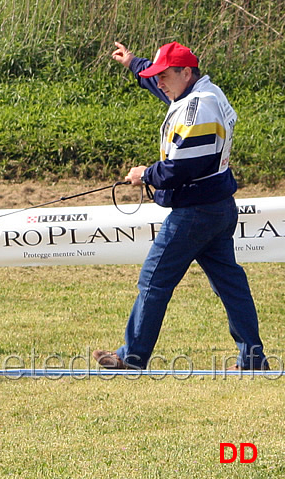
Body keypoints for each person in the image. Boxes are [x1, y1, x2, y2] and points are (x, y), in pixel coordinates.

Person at [92, 41, 269, 371]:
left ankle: (131, 357)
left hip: (195, 212)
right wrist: (133, 63)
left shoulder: (198, 108)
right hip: (217, 206)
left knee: (153, 281)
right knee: (231, 286)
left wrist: (145, 174)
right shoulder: (200, 93)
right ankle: (253, 359)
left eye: (164, 75)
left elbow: (180, 169)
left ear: (186, 72)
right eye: (155, 76)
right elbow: (165, 91)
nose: (159, 83)